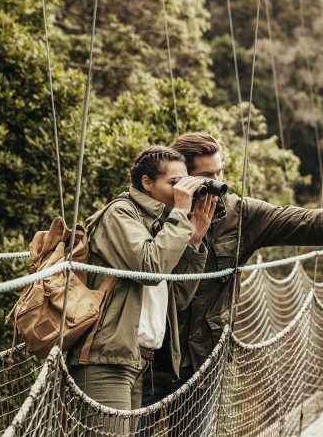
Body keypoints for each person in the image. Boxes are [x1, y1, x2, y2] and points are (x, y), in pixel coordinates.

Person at [141, 132, 323, 413]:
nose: (219, 183)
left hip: (204, 363)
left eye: (220, 171)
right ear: (183, 177)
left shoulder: (238, 216)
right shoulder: (150, 215)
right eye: (207, 176)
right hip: (151, 365)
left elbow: (302, 221)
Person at [66, 146, 218, 432]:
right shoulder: (120, 214)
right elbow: (149, 269)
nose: (181, 191)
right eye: (174, 183)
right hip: (106, 358)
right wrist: (182, 217)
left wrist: (195, 242)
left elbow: (176, 298)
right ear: (147, 183)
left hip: (139, 361)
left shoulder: (162, 224)